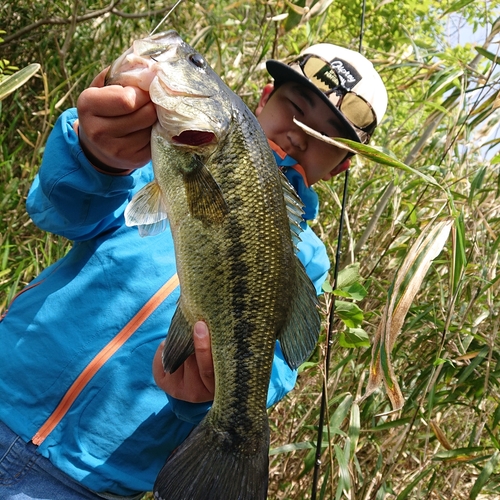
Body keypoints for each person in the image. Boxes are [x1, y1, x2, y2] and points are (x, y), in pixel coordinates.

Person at [0, 40, 387, 499]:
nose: (300, 135)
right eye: (295, 107)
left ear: (341, 166)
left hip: (85, 481)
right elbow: (59, 212)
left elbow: (274, 367)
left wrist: (201, 400)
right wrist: (96, 156)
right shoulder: (149, 159)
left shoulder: (308, 261)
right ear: (263, 98)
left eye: (325, 137)